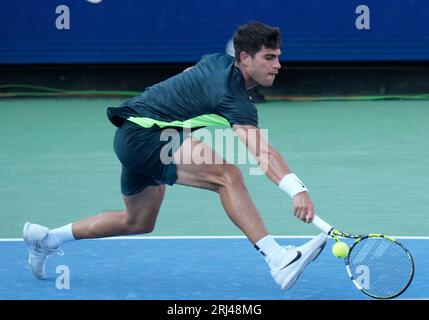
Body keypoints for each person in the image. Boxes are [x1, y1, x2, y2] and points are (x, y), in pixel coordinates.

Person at [23, 22, 327, 290]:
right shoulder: (233, 97)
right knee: (227, 175)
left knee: (138, 221)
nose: (277, 65)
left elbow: (186, 77)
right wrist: (297, 189)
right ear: (245, 58)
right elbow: (261, 151)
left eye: (278, 57)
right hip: (145, 135)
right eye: (269, 58)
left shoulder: (216, 61)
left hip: (133, 133)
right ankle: (277, 258)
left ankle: (48, 239)